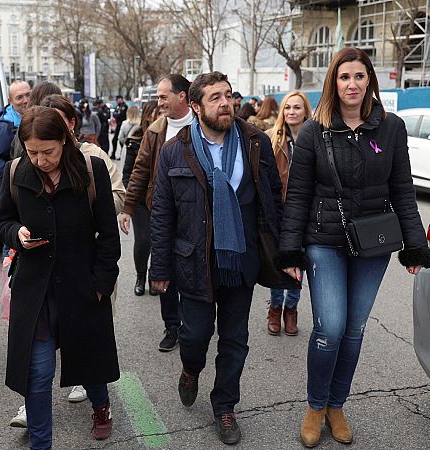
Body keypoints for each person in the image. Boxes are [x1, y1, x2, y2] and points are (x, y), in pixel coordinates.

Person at [276, 48, 430, 447]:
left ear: (370, 82)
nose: (352, 84)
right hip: (323, 241)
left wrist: (415, 245)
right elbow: (297, 195)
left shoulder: (392, 128)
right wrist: (290, 250)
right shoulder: (315, 130)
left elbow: (402, 189)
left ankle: (336, 405)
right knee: (330, 328)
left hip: (372, 244)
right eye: (344, 77)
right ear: (334, 82)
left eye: (359, 77)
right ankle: (315, 406)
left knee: (354, 330)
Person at [149, 71, 290, 445]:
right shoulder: (174, 151)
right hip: (194, 260)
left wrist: (285, 252)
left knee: (235, 339)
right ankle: (191, 369)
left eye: (227, 95)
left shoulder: (255, 143)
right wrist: (159, 268)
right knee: (194, 336)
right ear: (195, 107)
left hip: (240, 260)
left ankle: (224, 406)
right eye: (214, 98)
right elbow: (162, 214)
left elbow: (275, 201)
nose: (225, 103)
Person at [0, 106, 121, 448]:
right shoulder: (14, 172)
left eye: (47, 151)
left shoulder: (91, 171)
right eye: (32, 151)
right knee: (37, 376)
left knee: (88, 364)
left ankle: (101, 406)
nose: (39, 160)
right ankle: (41, 444)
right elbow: (0, 222)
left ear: (64, 140)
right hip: (36, 293)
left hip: (82, 287)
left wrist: (101, 285)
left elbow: (109, 235)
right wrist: (15, 232)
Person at [119, 74, 192, 351]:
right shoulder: (155, 130)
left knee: (195, 271)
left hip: (195, 215)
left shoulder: (201, 125)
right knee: (165, 269)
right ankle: (171, 327)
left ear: (182, 96)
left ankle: (194, 324)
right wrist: (128, 207)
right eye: (159, 97)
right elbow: (140, 170)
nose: (159, 102)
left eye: (164, 96)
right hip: (161, 211)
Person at [264, 91, 312, 336]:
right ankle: (275, 307)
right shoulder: (272, 138)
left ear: (305, 111)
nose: (292, 112)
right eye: (288, 107)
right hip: (279, 211)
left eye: (297, 107)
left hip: (305, 210)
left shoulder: (315, 136)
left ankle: (291, 309)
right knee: (279, 262)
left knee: (299, 261)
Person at [122, 101, 157, 296]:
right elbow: (127, 172)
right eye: (154, 114)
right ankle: (141, 276)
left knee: (159, 240)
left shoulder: (172, 137)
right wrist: (131, 196)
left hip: (162, 199)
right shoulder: (135, 139)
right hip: (141, 199)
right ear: (147, 116)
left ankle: (155, 276)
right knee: (143, 239)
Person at [0, 79, 31, 204]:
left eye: (28, 94)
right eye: (19, 97)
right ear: (10, 101)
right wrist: (16, 173)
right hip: (9, 196)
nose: (26, 100)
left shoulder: (34, 118)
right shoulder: (3, 127)